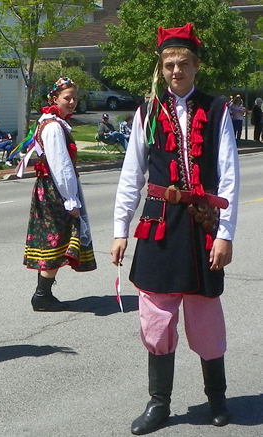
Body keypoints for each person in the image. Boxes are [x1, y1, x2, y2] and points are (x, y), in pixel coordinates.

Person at [110, 23, 239, 435]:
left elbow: (230, 176)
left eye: (183, 63)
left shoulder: (217, 109)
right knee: (156, 316)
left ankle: (216, 397)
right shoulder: (147, 111)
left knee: (204, 316)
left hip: (202, 223)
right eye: (169, 64)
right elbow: (131, 175)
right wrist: (119, 229)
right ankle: (159, 402)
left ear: (196, 66)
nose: (176, 70)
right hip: (159, 222)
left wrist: (225, 234)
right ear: (161, 68)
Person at [22, 77, 97, 311]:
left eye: (75, 98)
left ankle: (43, 294)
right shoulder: (53, 126)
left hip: (51, 189)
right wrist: (70, 199)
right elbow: (60, 166)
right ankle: (41, 296)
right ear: (54, 99)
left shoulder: (52, 122)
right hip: (55, 191)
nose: (72, 102)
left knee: (54, 241)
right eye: (67, 98)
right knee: (58, 240)